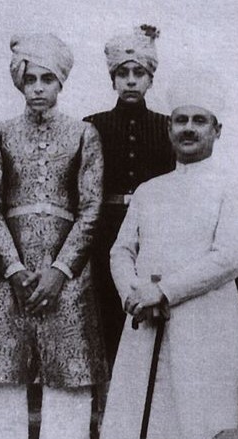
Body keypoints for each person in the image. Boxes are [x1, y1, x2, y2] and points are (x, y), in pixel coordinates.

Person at [102, 68, 238, 439]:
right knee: (163, 428)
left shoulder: (231, 187)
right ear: (169, 129)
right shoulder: (149, 190)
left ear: (216, 130)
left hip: (205, 324)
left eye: (200, 121)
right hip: (148, 324)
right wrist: (132, 294)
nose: (188, 129)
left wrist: (163, 290)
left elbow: (228, 258)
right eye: (181, 120)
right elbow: (121, 250)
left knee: (202, 428)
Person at [0, 33, 107, 439]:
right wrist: (13, 269)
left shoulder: (84, 134)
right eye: (31, 79)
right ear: (19, 83)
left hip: (66, 275)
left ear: (61, 83)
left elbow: (91, 210)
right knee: (2, 377)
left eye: (48, 79)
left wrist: (62, 270)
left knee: (69, 377)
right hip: (12, 273)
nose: (39, 88)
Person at [83, 25, 174, 368]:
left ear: (151, 79)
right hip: (105, 232)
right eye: (123, 74)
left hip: (153, 230)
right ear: (113, 80)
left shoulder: (166, 126)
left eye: (139, 73)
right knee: (107, 313)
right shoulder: (93, 125)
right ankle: (105, 407)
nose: (131, 81)